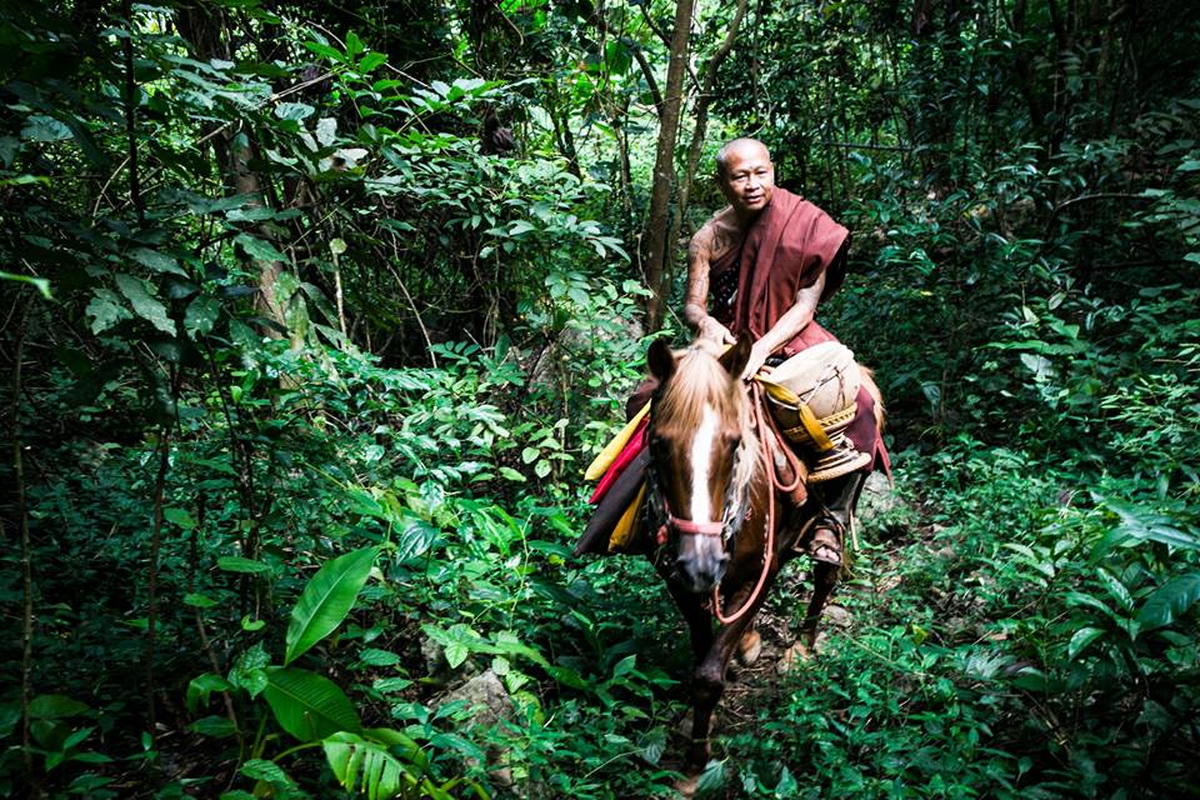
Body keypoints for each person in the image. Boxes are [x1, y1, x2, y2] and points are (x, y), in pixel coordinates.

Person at [681, 137, 887, 566]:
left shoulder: (806, 224)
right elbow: (692, 305)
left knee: (862, 404)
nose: (753, 184)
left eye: (761, 173)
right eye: (740, 177)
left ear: (773, 171)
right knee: (655, 403)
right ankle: (652, 516)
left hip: (791, 338)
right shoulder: (707, 238)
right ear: (722, 183)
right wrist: (708, 325)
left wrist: (758, 352)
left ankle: (831, 519)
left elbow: (804, 306)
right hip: (724, 343)